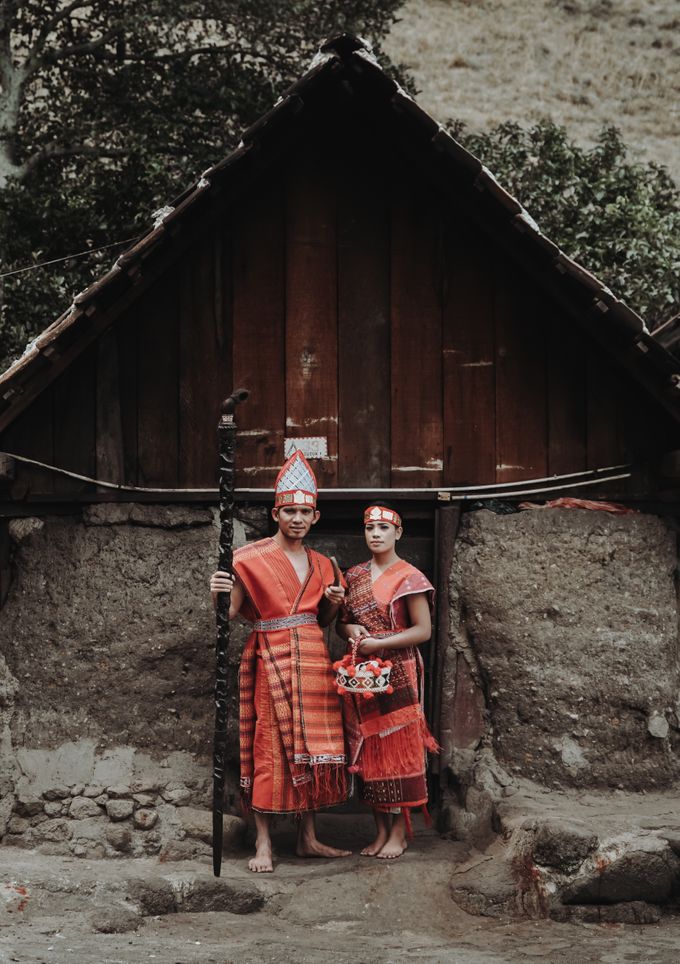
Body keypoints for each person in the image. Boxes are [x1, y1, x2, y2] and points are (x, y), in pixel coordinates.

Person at [210, 450, 350, 873]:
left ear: (315, 516)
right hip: (269, 655)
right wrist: (217, 588)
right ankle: (264, 844)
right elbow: (228, 614)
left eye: (305, 512)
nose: (297, 518)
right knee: (269, 747)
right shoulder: (247, 558)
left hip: (312, 659)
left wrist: (333, 603)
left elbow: (326, 622)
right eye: (290, 510)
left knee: (310, 750)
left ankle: (308, 838)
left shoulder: (325, 565)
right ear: (276, 512)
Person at [336, 504, 437, 859]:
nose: (375, 534)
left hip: (399, 670)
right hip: (362, 671)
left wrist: (380, 642)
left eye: (383, 528)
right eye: (369, 528)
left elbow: (422, 631)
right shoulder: (355, 576)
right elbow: (341, 622)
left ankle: (400, 831)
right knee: (369, 748)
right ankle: (379, 830)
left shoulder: (410, 577)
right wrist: (352, 630)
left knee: (398, 749)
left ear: (398, 533)